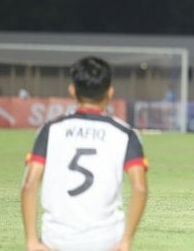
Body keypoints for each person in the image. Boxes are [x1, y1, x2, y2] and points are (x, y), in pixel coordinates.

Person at [21, 56, 148, 251]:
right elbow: (139, 187)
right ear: (110, 92)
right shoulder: (125, 134)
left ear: (72, 90)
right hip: (105, 240)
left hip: (56, 240)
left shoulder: (51, 129)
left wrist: (31, 241)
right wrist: (126, 241)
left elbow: (29, 183)